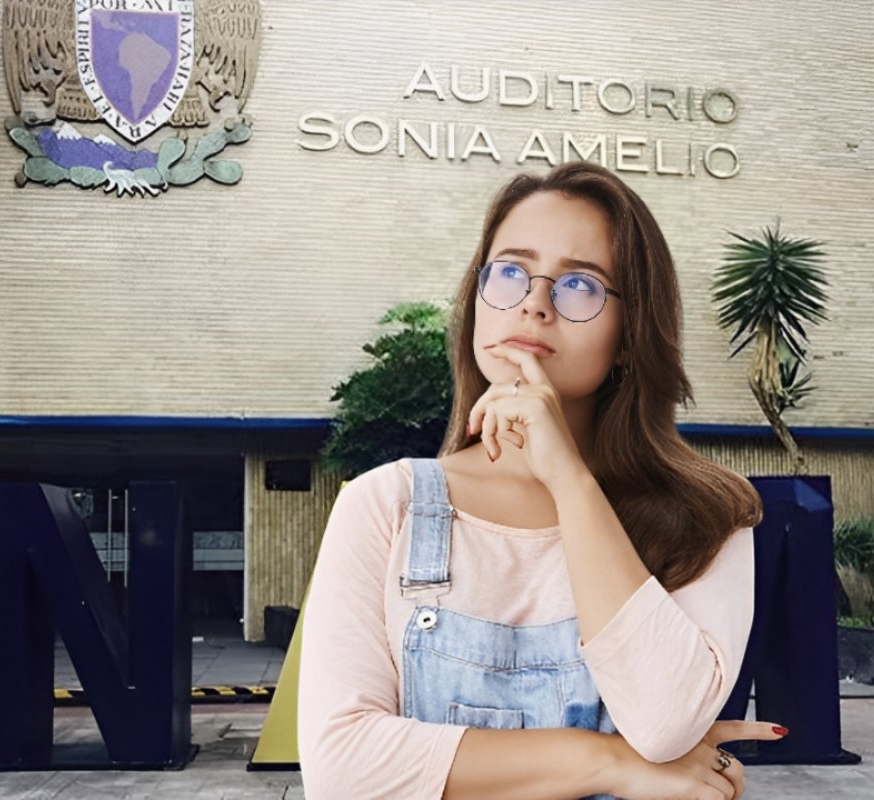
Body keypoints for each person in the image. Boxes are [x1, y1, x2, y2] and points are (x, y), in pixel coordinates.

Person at [296, 161, 788, 800]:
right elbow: (343, 767)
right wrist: (608, 762)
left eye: (580, 284)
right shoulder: (386, 504)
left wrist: (569, 479)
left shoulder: (704, 515)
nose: (533, 302)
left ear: (630, 336)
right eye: (509, 272)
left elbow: (666, 726)